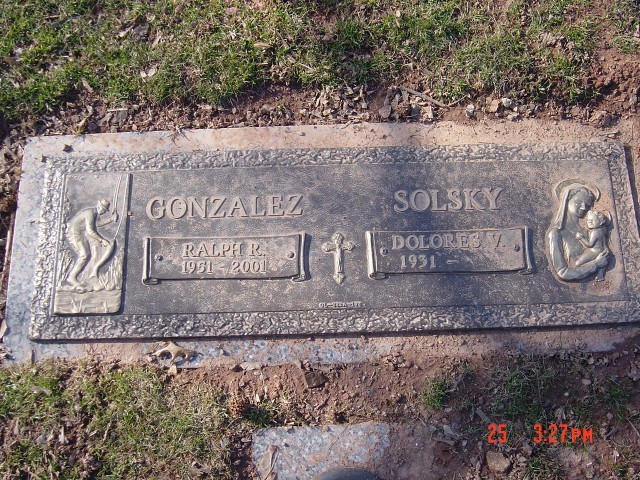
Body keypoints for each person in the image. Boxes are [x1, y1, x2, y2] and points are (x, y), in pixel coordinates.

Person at [547, 184, 609, 281]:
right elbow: (562, 273)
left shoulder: (588, 231)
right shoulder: (556, 233)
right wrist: (595, 264)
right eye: (579, 202)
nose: (584, 207)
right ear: (567, 201)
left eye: (587, 205)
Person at [66, 198, 118, 288]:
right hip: (74, 233)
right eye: (103, 209)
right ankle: (72, 277)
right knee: (84, 255)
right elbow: (90, 230)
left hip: (79, 233)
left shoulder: (93, 213)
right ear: (99, 206)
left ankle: (82, 275)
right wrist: (102, 240)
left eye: (105, 210)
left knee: (87, 254)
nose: (103, 212)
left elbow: (96, 224)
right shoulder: (90, 213)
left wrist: (110, 219)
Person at [575, 209, 610, 281]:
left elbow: (590, 245)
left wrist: (581, 238)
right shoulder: (603, 229)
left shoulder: (595, 232)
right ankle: (600, 275)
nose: (589, 221)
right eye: (588, 220)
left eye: (592, 220)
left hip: (595, 251)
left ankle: (591, 269)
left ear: (600, 222)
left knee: (578, 263)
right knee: (602, 263)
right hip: (603, 250)